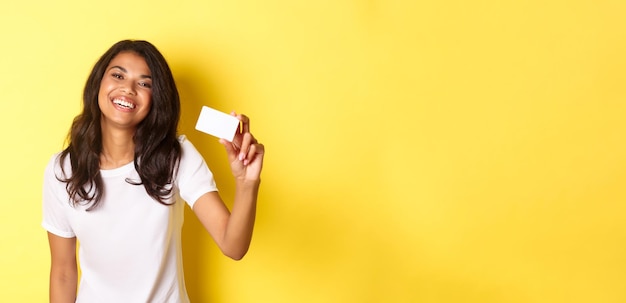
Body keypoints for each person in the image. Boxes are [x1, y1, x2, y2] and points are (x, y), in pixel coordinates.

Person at [42, 40, 264, 303]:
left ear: (156, 99)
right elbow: (63, 273)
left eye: (145, 83)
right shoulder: (63, 169)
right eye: (118, 75)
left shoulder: (176, 156)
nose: (128, 88)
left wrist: (246, 182)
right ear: (98, 84)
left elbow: (233, 246)